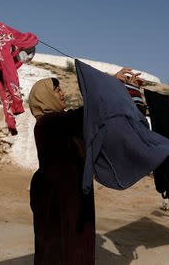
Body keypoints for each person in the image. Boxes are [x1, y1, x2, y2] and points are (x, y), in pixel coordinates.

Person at [28, 78, 95, 265]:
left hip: (69, 195)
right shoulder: (49, 122)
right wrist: (111, 83)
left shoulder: (62, 122)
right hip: (56, 198)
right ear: (45, 97)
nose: (62, 93)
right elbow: (86, 113)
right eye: (57, 90)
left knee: (69, 247)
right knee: (59, 249)